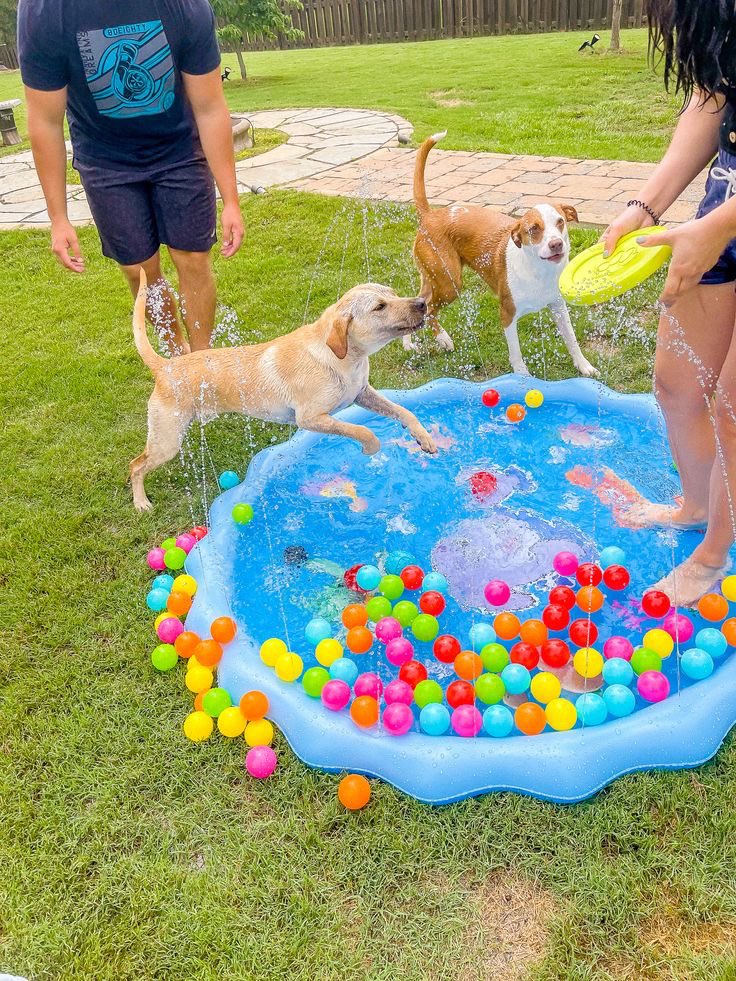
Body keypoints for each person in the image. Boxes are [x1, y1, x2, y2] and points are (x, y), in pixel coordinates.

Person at [602, 0, 736, 606]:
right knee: (677, 385)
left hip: (722, 222)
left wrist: (719, 227)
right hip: (722, 210)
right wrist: (646, 206)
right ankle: (696, 507)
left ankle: (713, 555)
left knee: (733, 410)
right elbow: (713, 98)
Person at [18, 0, 245, 354]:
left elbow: (210, 107)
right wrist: (58, 218)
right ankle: (176, 354)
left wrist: (230, 200)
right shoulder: (45, 10)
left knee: (193, 258)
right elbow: (45, 122)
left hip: (179, 150)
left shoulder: (184, 6)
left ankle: (201, 363)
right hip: (106, 160)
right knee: (140, 270)